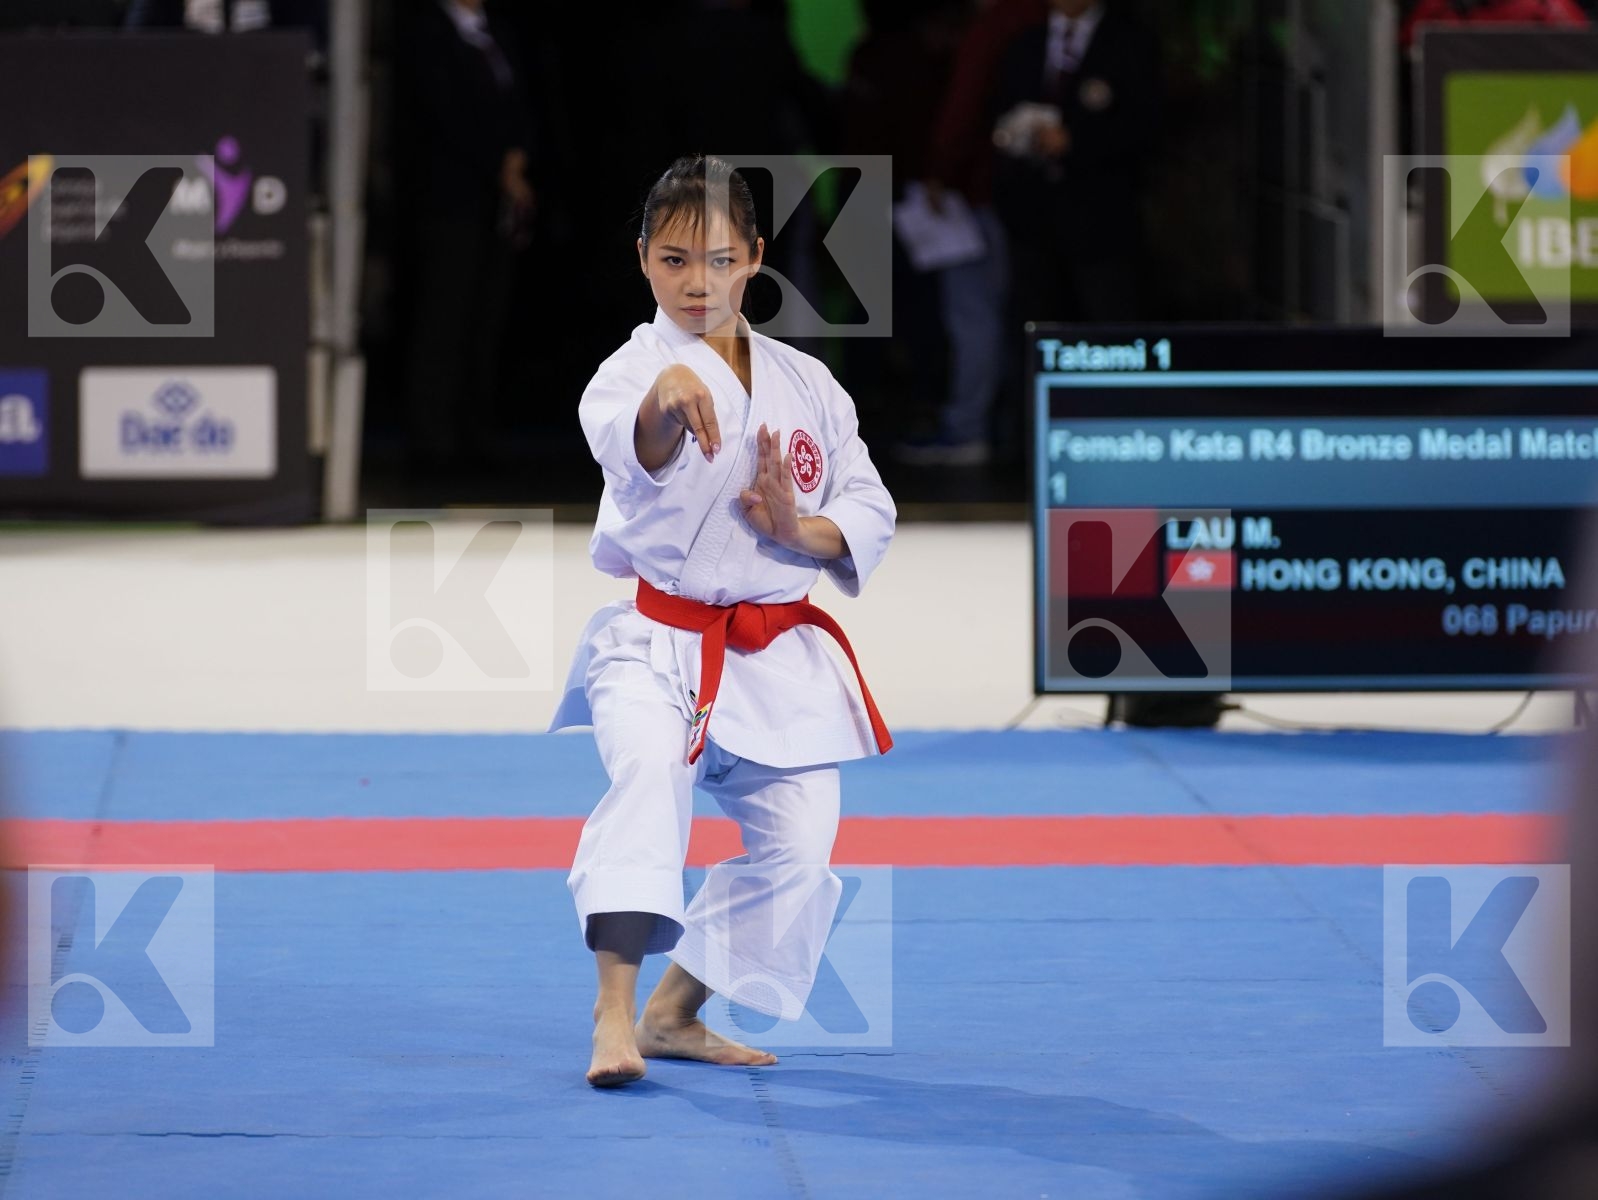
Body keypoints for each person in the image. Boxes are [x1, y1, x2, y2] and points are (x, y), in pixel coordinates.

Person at [548, 155, 897, 1088]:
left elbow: (868, 506)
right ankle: (613, 1018)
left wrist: (798, 529)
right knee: (650, 778)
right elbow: (633, 445)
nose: (694, 282)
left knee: (802, 844)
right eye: (672, 261)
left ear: (753, 260)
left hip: (771, 649)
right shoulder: (628, 376)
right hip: (656, 642)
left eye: (716, 260)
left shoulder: (809, 384)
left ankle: (674, 1011)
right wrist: (665, 405)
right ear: (644, 261)